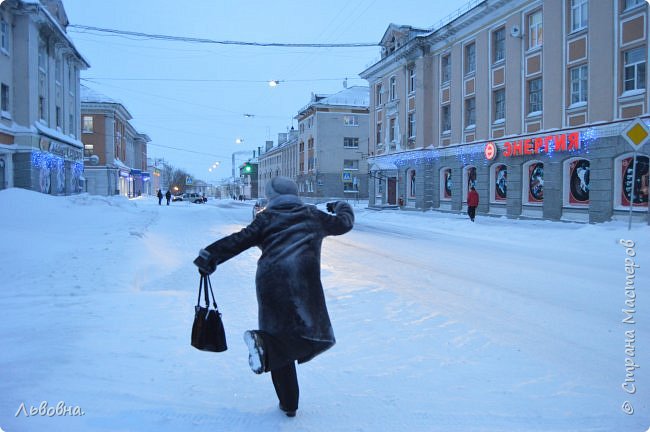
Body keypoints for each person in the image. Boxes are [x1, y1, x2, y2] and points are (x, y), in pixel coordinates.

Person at [193, 176, 354, 418]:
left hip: (272, 284)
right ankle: (270, 349)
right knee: (313, 332)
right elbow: (344, 224)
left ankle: (287, 400)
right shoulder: (311, 215)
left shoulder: (266, 218)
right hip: (304, 283)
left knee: (277, 339)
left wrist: (210, 256)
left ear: (271, 196)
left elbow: (239, 240)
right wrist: (341, 205)